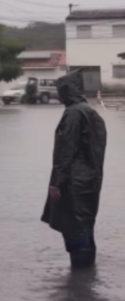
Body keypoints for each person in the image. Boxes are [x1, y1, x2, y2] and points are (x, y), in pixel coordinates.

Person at [42, 70, 106, 269]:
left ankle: (80, 277)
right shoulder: (90, 111)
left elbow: (66, 150)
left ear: (67, 91)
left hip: (74, 181)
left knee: (75, 227)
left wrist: (56, 182)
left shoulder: (74, 114)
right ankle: (85, 283)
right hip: (91, 179)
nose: (59, 95)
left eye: (61, 91)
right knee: (85, 225)